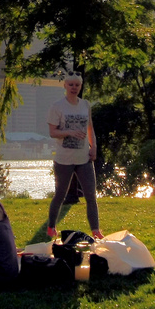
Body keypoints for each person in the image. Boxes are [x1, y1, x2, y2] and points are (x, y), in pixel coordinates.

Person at [46, 74, 101, 240]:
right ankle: (51, 226)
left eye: (77, 85)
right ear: (65, 86)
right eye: (71, 84)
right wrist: (69, 132)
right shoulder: (57, 107)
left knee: (91, 195)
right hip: (64, 159)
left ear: (81, 86)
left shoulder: (85, 105)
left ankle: (96, 230)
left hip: (83, 158)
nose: (74, 87)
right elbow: (52, 132)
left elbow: (90, 127)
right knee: (60, 194)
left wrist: (94, 147)